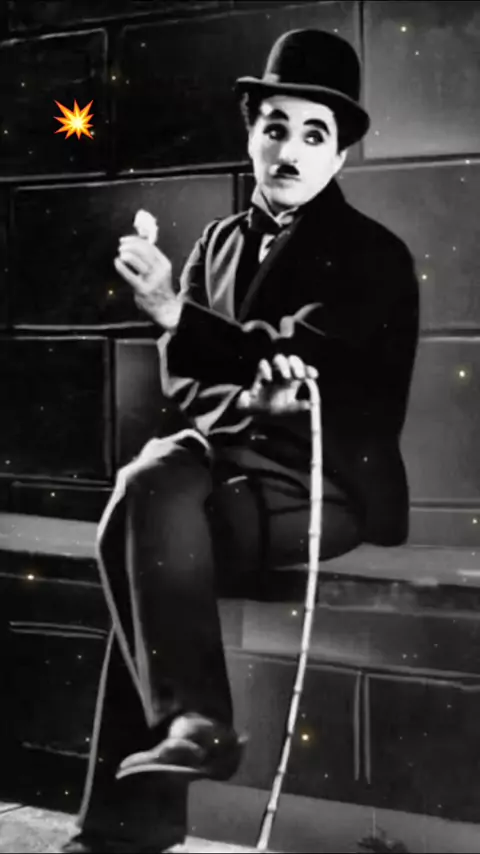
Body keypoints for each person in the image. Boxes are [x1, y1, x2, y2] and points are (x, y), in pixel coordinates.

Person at [64, 28, 419, 854]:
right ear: (250, 133)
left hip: (322, 487)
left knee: (143, 529)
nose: (289, 151)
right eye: (274, 127)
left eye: (314, 135)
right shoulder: (217, 244)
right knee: (149, 502)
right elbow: (182, 381)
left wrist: (183, 321)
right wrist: (244, 398)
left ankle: (135, 815)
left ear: (341, 154)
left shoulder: (374, 256)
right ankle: (185, 735)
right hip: (221, 465)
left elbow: (315, 357)